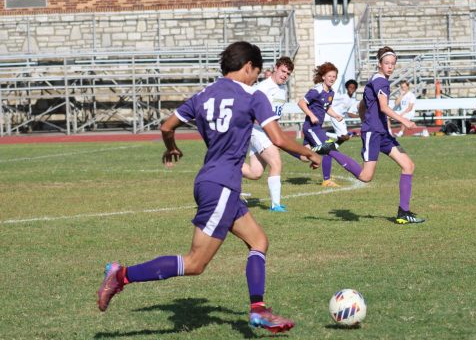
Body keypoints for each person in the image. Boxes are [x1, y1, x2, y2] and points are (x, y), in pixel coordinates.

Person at [96, 41, 321, 334]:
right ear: (248, 67)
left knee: (259, 242)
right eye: (256, 71)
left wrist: (172, 148)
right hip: (223, 185)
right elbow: (278, 138)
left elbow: (166, 126)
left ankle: (258, 309)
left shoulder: (202, 95)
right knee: (195, 263)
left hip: (211, 181)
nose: (256, 77)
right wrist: (309, 152)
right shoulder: (253, 96)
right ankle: (121, 275)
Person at [307, 49, 425, 224]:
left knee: (408, 165)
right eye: (387, 63)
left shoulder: (376, 80)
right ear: (379, 64)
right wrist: (405, 122)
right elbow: (384, 108)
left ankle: (403, 212)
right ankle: (331, 150)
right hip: (374, 133)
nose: (390, 67)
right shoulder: (381, 82)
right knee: (365, 176)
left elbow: (362, 104)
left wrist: (365, 121)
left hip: (382, 132)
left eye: (393, 63)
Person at [242, 57, 295, 212]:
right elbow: (251, 110)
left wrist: (275, 133)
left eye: (288, 73)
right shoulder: (263, 88)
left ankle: (227, 167)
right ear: (275, 68)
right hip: (257, 130)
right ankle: (276, 205)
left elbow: (274, 116)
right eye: (283, 71)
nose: (285, 75)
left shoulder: (283, 89)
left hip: (267, 131)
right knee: (276, 163)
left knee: (255, 172)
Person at [298, 62, 346, 187]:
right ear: (323, 76)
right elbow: (301, 103)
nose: (332, 78)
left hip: (316, 128)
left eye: (334, 77)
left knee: (305, 156)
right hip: (311, 128)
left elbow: (326, 107)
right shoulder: (316, 90)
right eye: (329, 76)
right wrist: (311, 115)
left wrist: (336, 115)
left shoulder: (331, 92)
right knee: (328, 148)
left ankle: (289, 149)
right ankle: (326, 180)